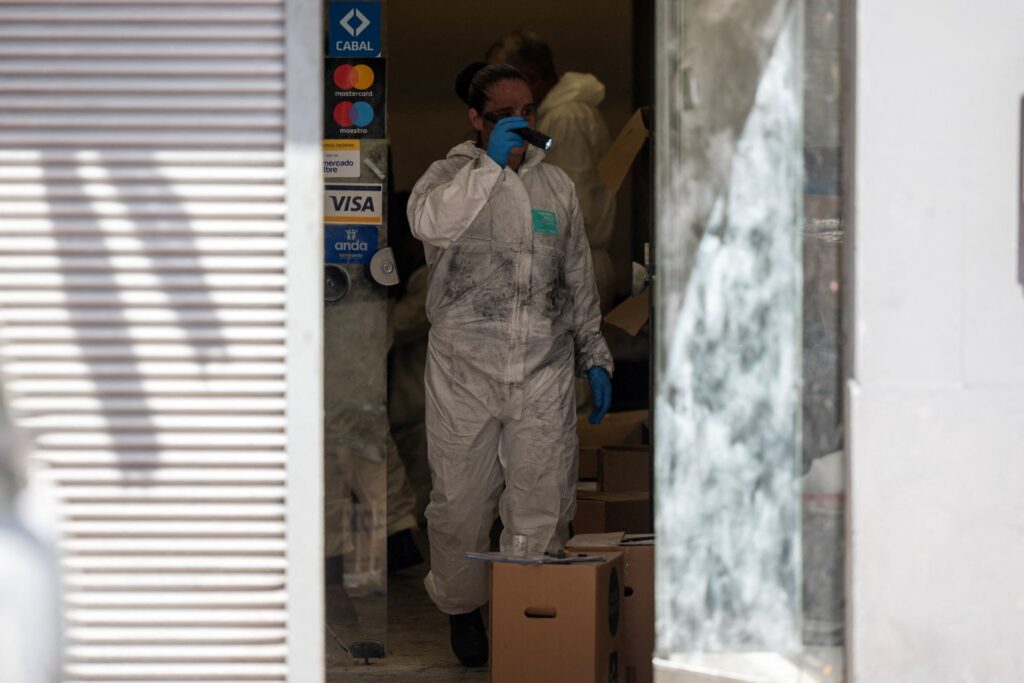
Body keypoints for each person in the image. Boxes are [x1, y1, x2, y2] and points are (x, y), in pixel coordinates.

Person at [407, 62, 613, 667]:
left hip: (542, 368)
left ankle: (532, 613)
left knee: (541, 499)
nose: (521, 123)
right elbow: (428, 224)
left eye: (528, 111)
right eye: (505, 115)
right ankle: (463, 609)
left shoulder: (557, 188)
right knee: (460, 505)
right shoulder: (447, 178)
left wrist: (594, 355)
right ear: (476, 120)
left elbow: (577, 279)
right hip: (463, 373)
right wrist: (491, 169)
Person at [487, 31, 617, 312]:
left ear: (531, 78)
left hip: (570, 270)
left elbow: (575, 210)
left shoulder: (565, 117)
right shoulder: (562, 114)